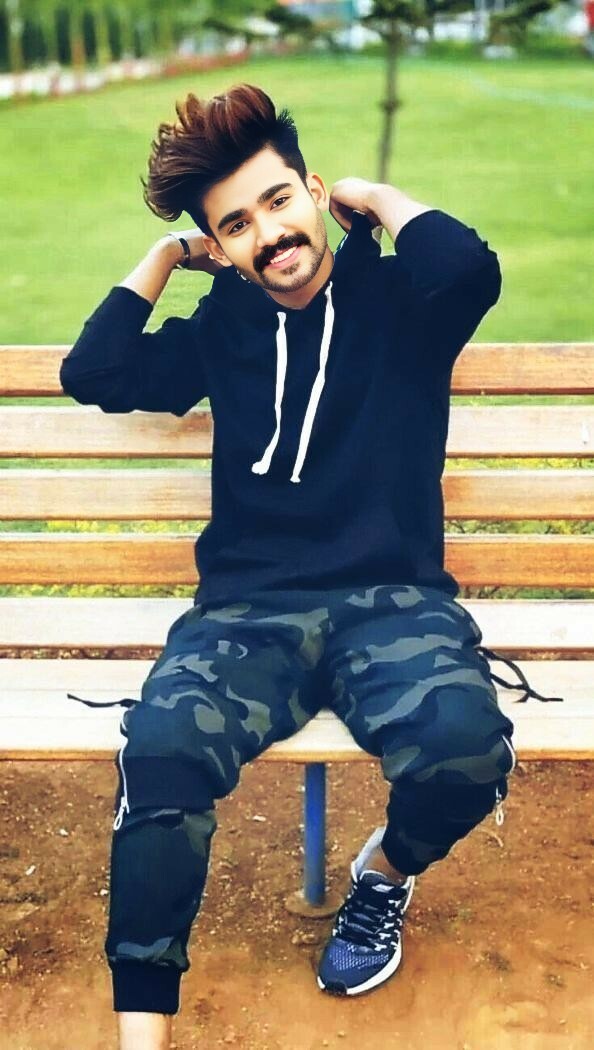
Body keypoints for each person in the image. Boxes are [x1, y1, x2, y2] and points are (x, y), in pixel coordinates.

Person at [60, 82, 552, 1050]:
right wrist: (168, 255)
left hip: (395, 602)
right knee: (161, 753)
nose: (269, 234)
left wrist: (371, 195)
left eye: (279, 200)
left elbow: (468, 267)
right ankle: (140, 1037)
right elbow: (96, 371)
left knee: (464, 750)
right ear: (222, 246)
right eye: (236, 224)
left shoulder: (404, 305)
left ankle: (383, 876)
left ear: (313, 191)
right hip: (247, 615)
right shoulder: (223, 330)